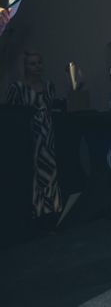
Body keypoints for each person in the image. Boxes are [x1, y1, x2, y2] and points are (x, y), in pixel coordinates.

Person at [6, 51, 62, 229]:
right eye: (32, 63)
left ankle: (52, 212)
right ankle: (36, 214)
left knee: (50, 172)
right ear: (25, 66)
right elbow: (11, 114)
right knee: (34, 174)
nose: (37, 67)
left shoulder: (49, 85)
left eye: (39, 63)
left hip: (48, 135)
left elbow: (51, 108)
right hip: (29, 136)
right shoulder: (18, 87)